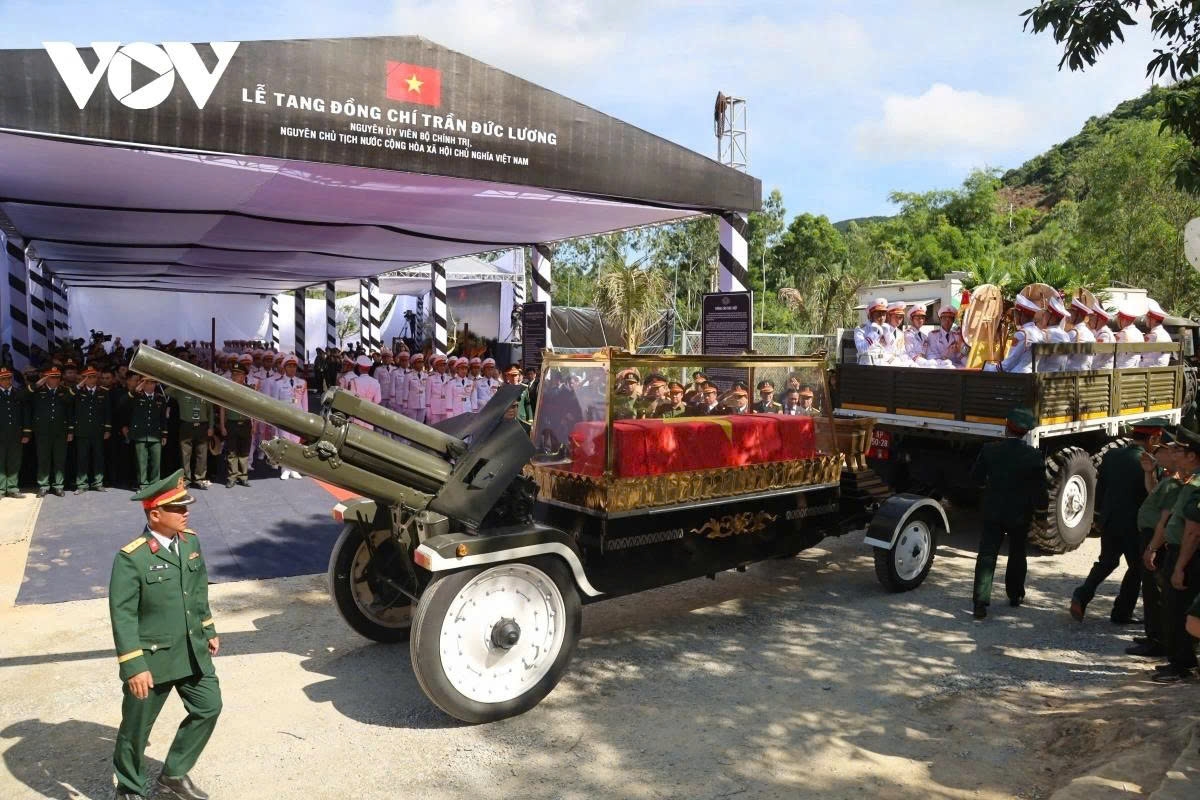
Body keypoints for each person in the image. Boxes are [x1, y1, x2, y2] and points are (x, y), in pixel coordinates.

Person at [109, 470, 220, 800]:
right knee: (136, 729)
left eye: (186, 506)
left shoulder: (191, 542)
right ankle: (129, 789)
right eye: (178, 508)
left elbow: (198, 591)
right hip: (152, 659)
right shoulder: (133, 557)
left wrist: (208, 628)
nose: (186, 511)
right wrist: (133, 665)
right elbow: (123, 614)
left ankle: (172, 775)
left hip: (191, 649)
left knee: (209, 707)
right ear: (154, 514)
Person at [1070, 421, 1164, 624]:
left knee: (1107, 561)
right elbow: (1153, 495)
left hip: (1110, 519)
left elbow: (1101, 487)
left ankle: (1081, 595)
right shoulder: (1149, 462)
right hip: (1134, 524)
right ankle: (1122, 613)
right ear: (1153, 438)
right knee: (1137, 568)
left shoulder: (1111, 456)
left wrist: (1097, 516)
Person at [970, 407, 1048, 619]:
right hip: (1019, 514)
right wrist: (1041, 515)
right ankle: (1015, 595)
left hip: (993, 510)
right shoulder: (1033, 456)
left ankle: (980, 602)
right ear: (1026, 432)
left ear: (1007, 427)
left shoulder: (989, 450)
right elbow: (1040, 491)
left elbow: (976, 479)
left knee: (987, 553)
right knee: (1017, 552)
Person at [1144, 427, 1200, 682]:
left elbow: (1193, 533)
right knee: (1172, 608)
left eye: (1180, 450)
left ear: (1192, 456)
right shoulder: (1189, 481)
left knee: (1179, 610)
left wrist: (1179, 566)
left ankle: (1182, 666)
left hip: (1186, 556)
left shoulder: (1196, 485)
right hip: (1179, 552)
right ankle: (1179, 660)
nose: (1174, 453)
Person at [1128, 432, 1180, 658]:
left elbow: (1165, 519)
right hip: (1150, 535)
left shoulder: (1177, 482)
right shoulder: (1168, 477)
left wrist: (1152, 547)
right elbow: (1152, 491)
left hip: (1155, 538)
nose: (1157, 453)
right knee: (1148, 589)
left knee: (1153, 591)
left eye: (1163, 451)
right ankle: (1152, 634)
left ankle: (1157, 640)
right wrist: (1149, 473)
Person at [30, 365, 73, 498]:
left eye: (57, 378)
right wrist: (38, 384)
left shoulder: (65, 391)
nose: (55, 380)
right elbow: (22, 396)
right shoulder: (38, 391)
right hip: (42, 432)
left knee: (59, 460)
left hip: (60, 431)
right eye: (52, 378)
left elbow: (70, 412)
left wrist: (70, 430)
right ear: (46, 378)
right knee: (44, 459)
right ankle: (43, 485)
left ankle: (58, 486)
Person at [73, 365, 111, 493]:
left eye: (93, 377)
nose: (91, 379)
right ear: (84, 378)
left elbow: (108, 412)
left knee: (98, 457)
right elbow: (68, 399)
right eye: (88, 377)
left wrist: (107, 429)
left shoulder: (103, 392)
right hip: (82, 430)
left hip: (98, 430)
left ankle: (98, 482)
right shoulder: (78, 391)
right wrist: (80, 384)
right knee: (82, 458)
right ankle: (81, 484)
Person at [127, 375, 168, 491]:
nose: (151, 385)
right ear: (143, 384)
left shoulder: (160, 398)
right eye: (148, 383)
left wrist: (164, 434)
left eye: (153, 383)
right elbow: (126, 401)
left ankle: (155, 483)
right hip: (140, 434)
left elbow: (163, 418)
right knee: (141, 462)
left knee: (156, 461)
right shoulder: (136, 396)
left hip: (155, 434)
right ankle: (143, 484)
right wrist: (138, 387)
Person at [271, 354, 308, 479]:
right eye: (289, 366)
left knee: (296, 444)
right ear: (284, 368)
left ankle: (294, 468)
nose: (292, 369)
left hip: (297, 418)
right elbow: (274, 404)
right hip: (284, 418)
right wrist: (275, 423)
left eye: (294, 366)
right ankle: (284, 469)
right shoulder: (278, 383)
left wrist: (306, 421)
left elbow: (305, 403)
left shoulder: (302, 383)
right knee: (284, 443)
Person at [169, 385, 212, 491]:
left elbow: (210, 412)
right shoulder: (181, 391)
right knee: (185, 455)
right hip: (186, 426)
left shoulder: (205, 393)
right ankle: (186, 479)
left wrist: (211, 427)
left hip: (202, 426)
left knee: (202, 454)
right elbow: (167, 391)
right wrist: (180, 381)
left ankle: (200, 478)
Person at [220, 363, 254, 488]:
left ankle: (243, 476)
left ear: (244, 376)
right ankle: (232, 477)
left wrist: (253, 424)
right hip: (232, 424)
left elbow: (253, 409)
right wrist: (222, 426)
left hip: (245, 423)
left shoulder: (249, 390)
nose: (235, 377)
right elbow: (222, 408)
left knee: (244, 451)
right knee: (232, 452)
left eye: (238, 374)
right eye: (233, 374)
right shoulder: (227, 389)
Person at [0, 367, 29, 498]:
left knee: (14, 461)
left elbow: (25, 414)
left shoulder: (18, 393)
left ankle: (12, 487)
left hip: (16, 434)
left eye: (8, 378)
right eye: (3, 379)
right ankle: (1, 489)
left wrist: (26, 433)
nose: (6, 381)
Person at [1000, 295, 1043, 373]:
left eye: (1016, 314)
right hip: (1032, 373)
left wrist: (989, 368)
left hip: (1019, 376)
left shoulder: (1021, 334)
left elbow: (1009, 363)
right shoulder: (1039, 333)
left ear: (1022, 315)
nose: (1014, 317)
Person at [1038, 296, 1071, 372]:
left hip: (1044, 376)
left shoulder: (1045, 334)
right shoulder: (1066, 335)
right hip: (1060, 376)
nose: (1043, 316)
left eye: (1046, 313)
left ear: (1051, 317)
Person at [348, 355, 382, 428]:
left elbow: (351, 399)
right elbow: (377, 400)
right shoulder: (375, 382)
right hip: (369, 413)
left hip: (356, 412)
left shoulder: (353, 381)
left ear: (359, 368)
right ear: (369, 368)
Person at [854, 298, 888, 365]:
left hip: (883, 364)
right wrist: (874, 333)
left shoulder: (885, 328)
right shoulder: (861, 329)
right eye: (878, 314)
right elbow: (861, 349)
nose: (882, 318)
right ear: (870, 315)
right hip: (867, 365)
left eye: (884, 314)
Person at [1066, 298, 1096, 372]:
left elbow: (1062, 357)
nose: (1069, 315)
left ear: (1078, 315)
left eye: (1071, 312)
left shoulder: (1073, 333)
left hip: (1071, 374)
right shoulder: (1090, 334)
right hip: (1086, 372)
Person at [1142, 299, 1173, 367]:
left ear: (1153, 320)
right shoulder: (1165, 334)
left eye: (1147, 318)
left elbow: (1141, 353)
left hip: (1151, 368)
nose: (1146, 320)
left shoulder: (1153, 335)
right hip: (1160, 367)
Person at [1114, 305, 1144, 369]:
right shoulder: (1139, 333)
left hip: (1121, 370)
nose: (1117, 320)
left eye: (1119, 318)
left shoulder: (1122, 334)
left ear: (1123, 320)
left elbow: (1111, 354)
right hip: (1135, 368)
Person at [1089, 304, 1117, 371]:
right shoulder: (1098, 332)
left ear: (1100, 320)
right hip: (1097, 369)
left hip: (1101, 371)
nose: (1090, 321)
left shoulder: (1104, 334)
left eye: (1092, 319)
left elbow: (1097, 356)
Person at [425, 354, 451, 424]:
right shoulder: (430, 378)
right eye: (440, 365)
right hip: (434, 409)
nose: (442, 367)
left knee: (445, 429)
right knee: (434, 429)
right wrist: (428, 409)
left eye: (444, 365)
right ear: (436, 366)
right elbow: (428, 395)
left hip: (446, 408)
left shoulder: (449, 379)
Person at [404, 353, 427, 423]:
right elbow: (405, 390)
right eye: (418, 362)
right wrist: (405, 405)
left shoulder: (426, 375)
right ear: (413, 364)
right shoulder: (408, 375)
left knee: (421, 424)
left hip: (423, 403)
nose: (421, 364)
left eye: (422, 362)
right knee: (411, 424)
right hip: (412, 404)